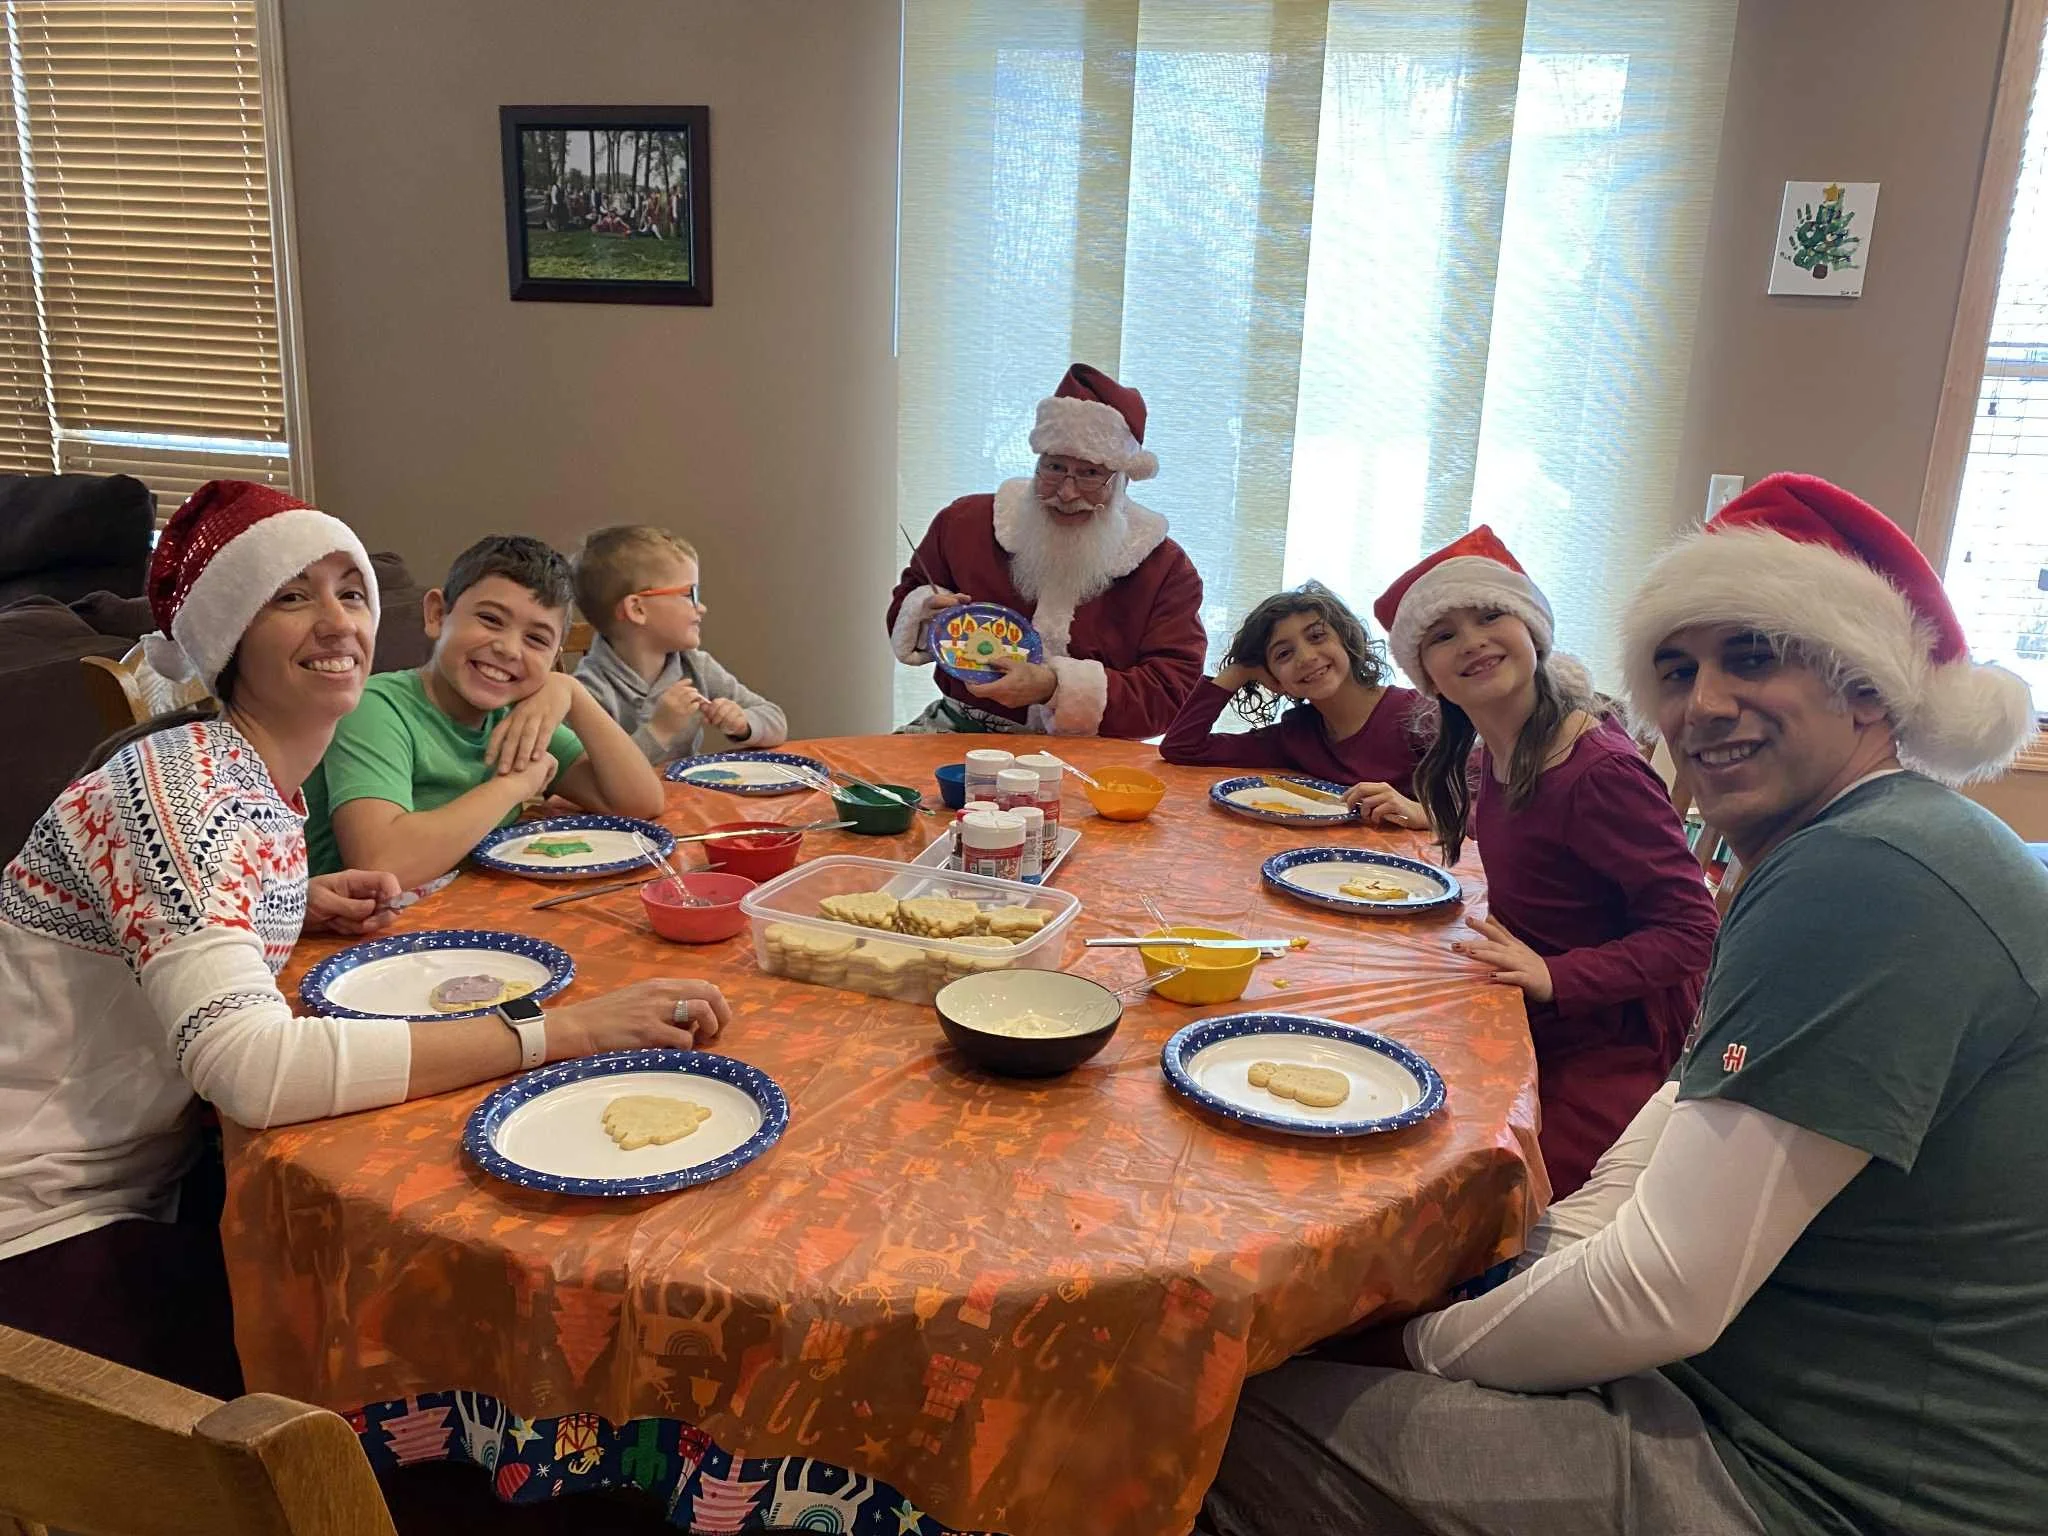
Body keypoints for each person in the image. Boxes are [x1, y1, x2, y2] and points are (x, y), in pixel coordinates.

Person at [1198, 472, 2046, 1536]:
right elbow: (1686, 1112)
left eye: (1752, 656)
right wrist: (1529, 1264)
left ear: (1866, 686)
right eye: (1676, 669)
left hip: (1813, 1480)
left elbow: (1661, 1294)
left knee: (1203, 1421)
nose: (1703, 704)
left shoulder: (1868, 876)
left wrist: (1427, 1342)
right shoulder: (1866, 845)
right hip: (1752, 1384)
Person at [0, 481, 729, 1399]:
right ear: (227, 631)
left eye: (351, 592)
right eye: (290, 596)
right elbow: (255, 1072)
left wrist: (288, 899)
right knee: (419, 1365)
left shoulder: (247, 780)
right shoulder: (181, 790)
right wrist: (565, 1033)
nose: (338, 621)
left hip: (153, 1175)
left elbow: (155, 911)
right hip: (41, 1220)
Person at [1370, 527, 1719, 1196]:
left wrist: (1555, 974)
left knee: (1476, 1193)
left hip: (1613, 1043)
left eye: (1490, 615)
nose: (1471, 640)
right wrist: (1432, 813)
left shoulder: (1597, 772)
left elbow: (1694, 931)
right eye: (1442, 635)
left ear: (1533, 631)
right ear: (1427, 675)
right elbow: (1546, 845)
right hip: (1539, 1017)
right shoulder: (1499, 752)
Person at [304, 534, 665, 891]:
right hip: (357, 939)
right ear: (436, 615)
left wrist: (572, 692)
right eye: (491, 619)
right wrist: (516, 785)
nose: (508, 649)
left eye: (536, 639)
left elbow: (640, 803)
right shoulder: (375, 708)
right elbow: (383, 864)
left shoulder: (517, 712)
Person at [886, 362, 1207, 737]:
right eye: (1055, 467)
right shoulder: (964, 523)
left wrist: (1055, 687)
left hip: (1091, 754)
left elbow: (1172, 690)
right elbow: (905, 607)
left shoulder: (1164, 567)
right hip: (963, 731)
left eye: (1089, 474)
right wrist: (926, 615)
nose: (1066, 493)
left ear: (1121, 479)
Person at [1159, 580, 1429, 801]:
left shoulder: (1418, 715)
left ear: (1347, 639)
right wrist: (1239, 671)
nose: (1306, 657)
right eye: (1284, 654)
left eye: (1316, 637)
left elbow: (1471, 809)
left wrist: (1424, 814)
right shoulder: (1296, 735)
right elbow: (1182, 747)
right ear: (1273, 678)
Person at [571, 524, 788, 763]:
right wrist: (658, 731)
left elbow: (776, 720)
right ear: (637, 609)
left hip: (688, 797)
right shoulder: (588, 692)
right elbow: (596, 778)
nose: (702, 608)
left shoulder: (695, 665)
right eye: (689, 595)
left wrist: (743, 724)